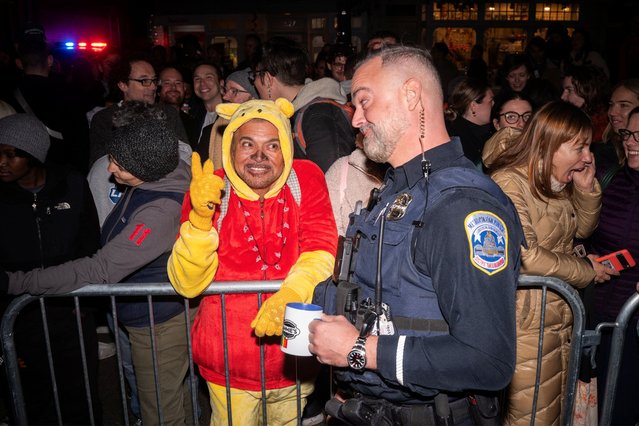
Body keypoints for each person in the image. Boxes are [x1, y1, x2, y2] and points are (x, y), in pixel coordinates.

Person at [309, 45, 524, 425]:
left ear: (411, 95)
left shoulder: (461, 208)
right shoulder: (397, 191)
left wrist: (360, 351)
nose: (356, 119)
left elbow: (488, 360)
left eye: (364, 102)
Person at [1, 102, 194, 426]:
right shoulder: (152, 181)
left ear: (143, 166)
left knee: (161, 411)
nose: (109, 169)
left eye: (118, 163)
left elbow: (99, 269)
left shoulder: (159, 210)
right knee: (172, 401)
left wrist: (15, 282)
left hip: (157, 325)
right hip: (149, 317)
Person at [167, 98, 337, 425]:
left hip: (293, 359)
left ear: (286, 148)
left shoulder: (306, 179)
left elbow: (321, 248)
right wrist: (200, 221)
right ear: (231, 147)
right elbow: (186, 283)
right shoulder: (210, 189)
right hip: (227, 365)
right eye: (247, 144)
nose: (259, 156)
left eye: (272, 145)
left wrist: (290, 295)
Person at [489, 101, 615, 425]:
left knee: (553, 412)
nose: (588, 156)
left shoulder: (553, 182)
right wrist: (586, 271)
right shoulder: (510, 182)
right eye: (580, 147)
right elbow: (525, 254)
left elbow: (580, 231)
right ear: (551, 145)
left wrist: (586, 192)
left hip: (557, 316)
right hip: (525, 321)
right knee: (529, 417)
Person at [0, 113, 101, 424]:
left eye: (10, 154)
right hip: (18, 317)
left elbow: (91, 246)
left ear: (33, 153)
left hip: (70, 314)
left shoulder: (71, 184)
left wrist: (86, 305)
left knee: (80, 395)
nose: (1, 162)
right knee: (32, 398)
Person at [589, 107, 639, 425]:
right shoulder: (612, 179)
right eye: (628, 134)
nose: (631, 142)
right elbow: (592, 236)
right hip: (603, 318)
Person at [252, 38, 356, 172]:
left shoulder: (318, 115)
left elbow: (331, 180)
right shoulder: (297, 112)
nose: (253, 82)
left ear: (267, 79)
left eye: (254, 75)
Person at [444, 77, 495, 168]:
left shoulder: (485, 131)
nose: (494, 104)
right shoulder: (460, 143)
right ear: (473, 106)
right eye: (491, 101)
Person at [482, 93, 533, 169]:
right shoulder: (497, 162)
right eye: (511, 117)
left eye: (527, 116)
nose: (522, 124)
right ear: (497, 124)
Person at [560, 65, 610, 143]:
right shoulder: (573, 120)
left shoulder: (605, 129)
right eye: (563, 90)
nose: (562, 97)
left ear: (588, 91)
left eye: (569, 90)